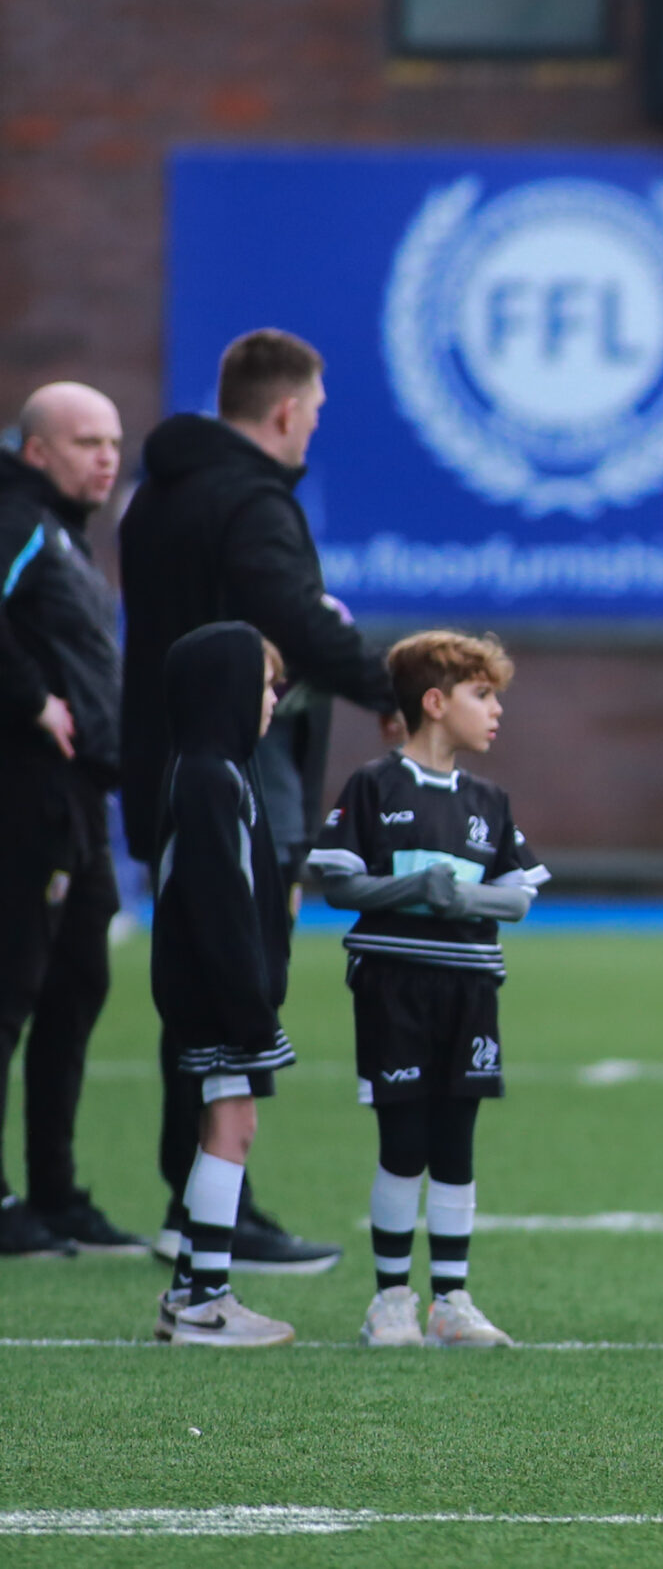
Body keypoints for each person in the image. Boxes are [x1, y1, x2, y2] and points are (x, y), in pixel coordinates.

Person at [121, 329, 396, 1273]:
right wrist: (397, 690)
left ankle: (194, 1201)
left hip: (162, 765)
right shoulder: (250, 501)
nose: (315, 425)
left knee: (197, 986)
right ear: (284, 410)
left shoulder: (158, 494)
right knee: (239, 990)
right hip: (239, 785)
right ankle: (207, 1210)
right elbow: (295, 622)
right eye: (314, 410)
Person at [305, 631, 545, 1350]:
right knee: (403, 1139)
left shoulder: (490, 801)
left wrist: (460, 901)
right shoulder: (373, 786)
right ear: (435, 704)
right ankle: (389, 1302)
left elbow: (518, 899)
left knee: (457, 1141)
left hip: (470, 990)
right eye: (482, 695)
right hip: (394, 988)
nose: (496, 709)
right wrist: (413, 886)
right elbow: (337, 882)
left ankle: (451, 1299)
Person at [0, 384, 141, 1256]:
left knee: (76, 986)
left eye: (115, 441)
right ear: (37, 449)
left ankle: (55, 1192)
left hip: (81, 797)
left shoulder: (62, 535)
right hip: (26, 790)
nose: (106, 456)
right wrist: (32, 700)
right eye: (86, 440)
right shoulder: (15, 516)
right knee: (12, 990)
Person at [149, 624, 296, 1347]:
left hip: (224, 997)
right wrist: (249, 1006)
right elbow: (218, 904)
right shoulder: (209, 776)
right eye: (264, 684)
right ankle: (207, 1298)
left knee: (230, 1127)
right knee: (230, 1130)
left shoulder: (225, 770)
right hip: (216, 1001)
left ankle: (190, 1288)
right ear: (227, 689)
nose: (273, 699)